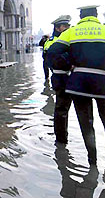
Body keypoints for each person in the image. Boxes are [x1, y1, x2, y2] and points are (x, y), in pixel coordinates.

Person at [47, 5, 105, 166]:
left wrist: (69, 65)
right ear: (96, 15)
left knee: (86, 123)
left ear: (81, 16)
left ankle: (92, 160)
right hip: (102, 83)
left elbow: (52, 52)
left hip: (78, 84)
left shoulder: (71, 32)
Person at [44, 15, 72, 144]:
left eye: (68, 25)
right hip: (61, 77)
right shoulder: (51, 41)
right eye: (64, 26)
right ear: (57, 28)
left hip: (74, 77)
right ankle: (61, 140)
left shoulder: (72, 38)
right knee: (61, 109)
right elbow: (50, 59)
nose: (67, 28)